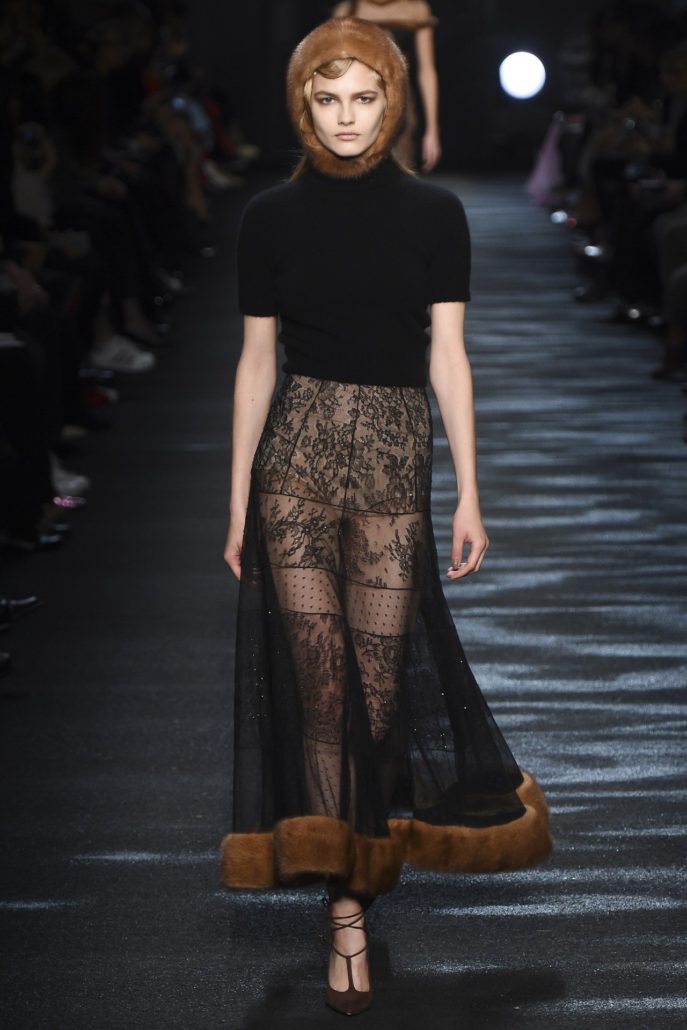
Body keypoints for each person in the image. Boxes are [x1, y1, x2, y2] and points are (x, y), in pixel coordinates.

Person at [220, 17, 553, 1017]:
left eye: (363, 98)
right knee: (322, 692)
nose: (346, 117)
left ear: (391, 102)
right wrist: (235, 500)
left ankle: (361, 868)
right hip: (295, 463)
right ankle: (346, 913)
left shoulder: (435, 214)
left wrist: (472, 490)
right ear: (303, 104)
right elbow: (255, 363)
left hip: (392, 465)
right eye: (327, 99)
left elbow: (449, 355)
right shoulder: (268, 217)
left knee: (374, 695)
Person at [331, 0, 441, 171]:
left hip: (399, 103)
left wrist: (432, 130)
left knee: (399, 168)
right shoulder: (346, 10)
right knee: (358, 171)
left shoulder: (415, 9)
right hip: (358, 103)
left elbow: (427, 71)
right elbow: (335, 70)